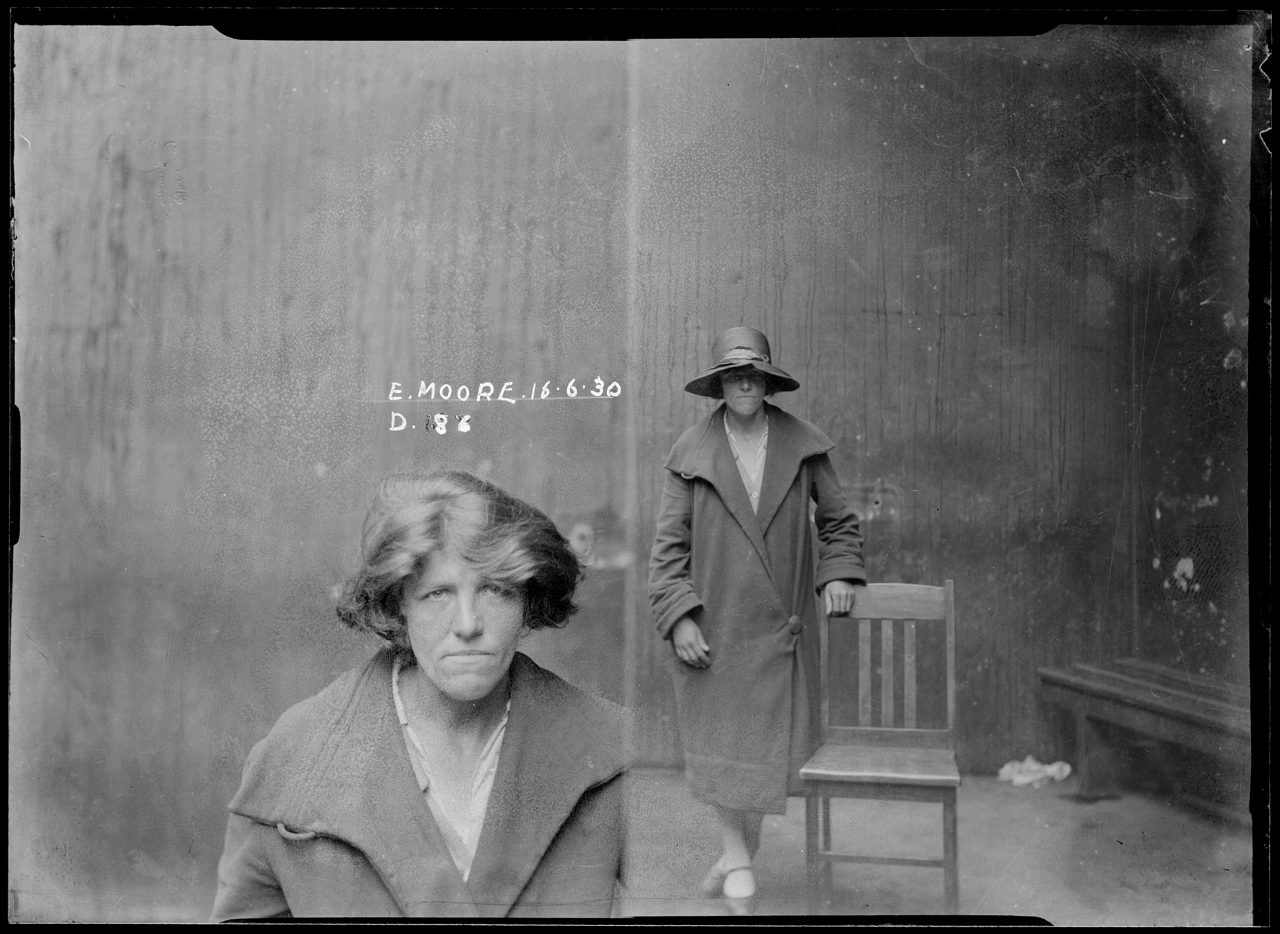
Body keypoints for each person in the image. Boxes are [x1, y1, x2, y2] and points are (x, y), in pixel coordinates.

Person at [211, 471, 630, 919]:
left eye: (495, 589)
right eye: (437, 594)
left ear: (528, 600)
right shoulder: (293, 757)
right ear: (398, 604)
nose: (468, 623)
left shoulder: (617, 753)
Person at [648, 327, 866, 914]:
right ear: (718, 383)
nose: (744, 382)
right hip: (714, 627)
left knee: (762, 751)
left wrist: (838, 573)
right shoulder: (690, 454)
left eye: (754, 373)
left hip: (778, 628)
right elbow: (668, 551)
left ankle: (734, 852)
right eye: (732, 373)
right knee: (724, 746)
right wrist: (679, 618)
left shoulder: (803, 445)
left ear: (768, 381)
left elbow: (840, 523)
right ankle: (738, 855)